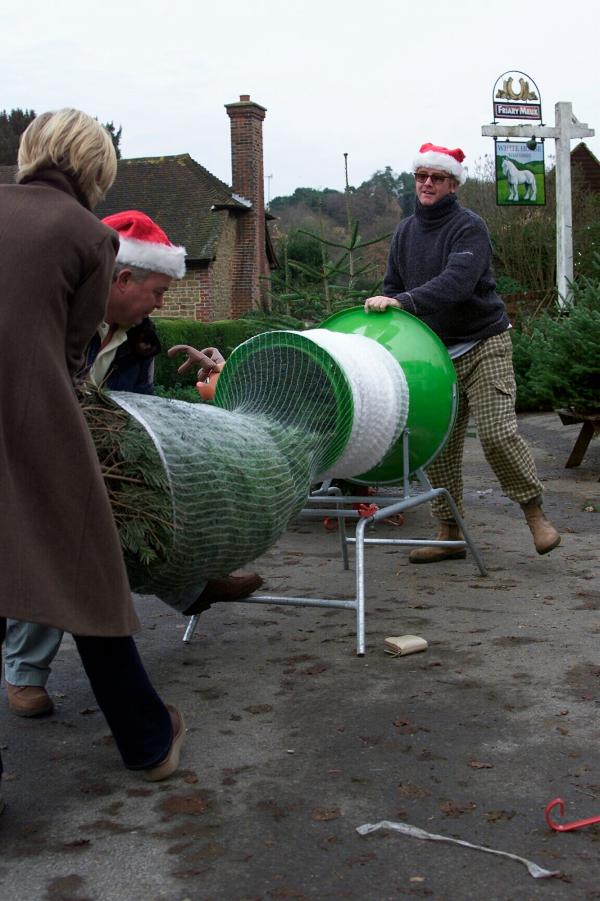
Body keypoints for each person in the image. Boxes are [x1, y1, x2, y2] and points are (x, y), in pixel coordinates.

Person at [4, 210, 262, 718]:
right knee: (54, 545)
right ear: (123, 279)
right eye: (159, 292)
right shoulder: (55, 319)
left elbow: (139, 416)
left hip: (97, 454)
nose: (161, 304)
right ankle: (24, 674)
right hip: (32, 453)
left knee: (145, 507)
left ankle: (190, 580)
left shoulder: (140, 340)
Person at [0, 111, 186, 813]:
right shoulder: (88, 235)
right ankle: (147, 740)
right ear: (94, 168)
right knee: (85, 569)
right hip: (32, 423)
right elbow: (75, 352)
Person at [364, 142, 560, 563]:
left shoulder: (469, 227)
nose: (427, 184)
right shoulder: (404, 232)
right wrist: (392, 309)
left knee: (497, 434)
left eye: (436, 178)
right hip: (435, 355)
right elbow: (392, 288)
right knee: (439, 446)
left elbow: (457, 282)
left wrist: (406, 302)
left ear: (453, 184)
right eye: (421, 177)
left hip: (484, 342)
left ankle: (534, 513)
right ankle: (449, 532)